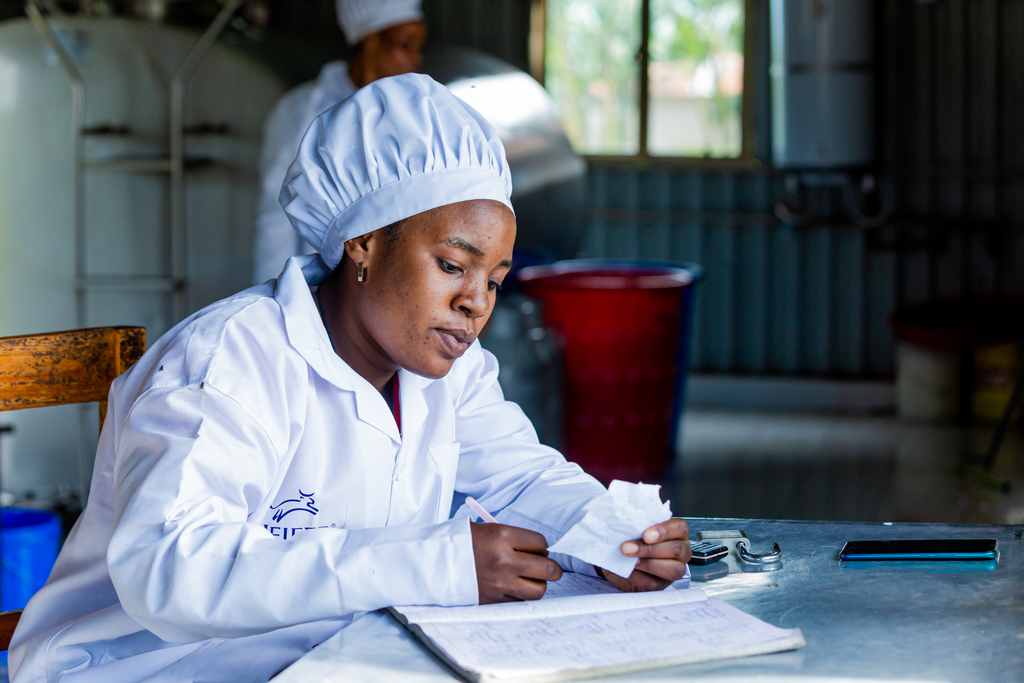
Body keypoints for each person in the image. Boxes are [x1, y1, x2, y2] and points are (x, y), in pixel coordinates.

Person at [9, 75, 691, 683]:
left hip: (327, 655)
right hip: (149, 665)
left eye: (494, 279)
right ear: (361, 241)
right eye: (454, 264)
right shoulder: (227, 363)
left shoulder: (445, 368)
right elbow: (168, 566)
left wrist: (611, 537)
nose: (476, 301)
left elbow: (520, 476)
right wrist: (437, 563)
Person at [253, 0, 428, 285]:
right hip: (322, 287)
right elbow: (276, 214)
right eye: (406, 44)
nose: (416, 58)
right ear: (371, 41)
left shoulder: (415, 113)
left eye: (418, 46)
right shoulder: (305, 108)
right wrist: (276, 295)